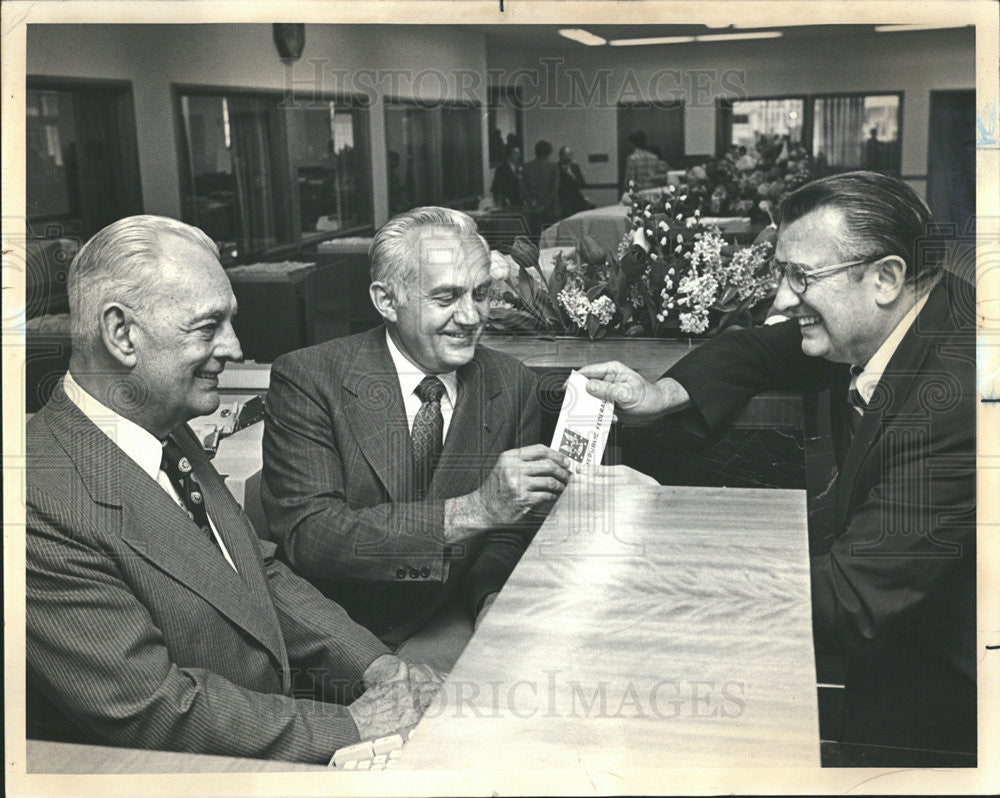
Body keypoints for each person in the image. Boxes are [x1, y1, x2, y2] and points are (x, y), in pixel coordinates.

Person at [580, 171, 975, 758]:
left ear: (887, 277)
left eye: (801, 277)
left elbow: (848, 600)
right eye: (781, 274)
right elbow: (759, 347)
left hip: (952, 702)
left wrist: (656, 543)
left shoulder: (954, 400)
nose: (783, 300)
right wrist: (661, 395)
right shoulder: (898, 316)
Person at [26, 215, 439, 764]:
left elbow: (256, 577)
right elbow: (151, 708)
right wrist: (351, 723)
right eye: (208, 326)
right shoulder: (36, 502)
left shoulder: (163, 427)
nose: (236, 346)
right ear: (121, 334)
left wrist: (378, 666)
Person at [262, 207, 573, 671]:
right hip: (346, 641)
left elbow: (509, 531)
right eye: (446, 297)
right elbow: (314, 536)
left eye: (481, 294)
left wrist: (492, 603)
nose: (471, 317)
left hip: (454, 619)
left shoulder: (511, 382)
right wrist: (473, 510)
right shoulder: (310, 378)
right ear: (387, 301)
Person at [521, 139, 560, 239]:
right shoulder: (553, 167)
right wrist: (544, 205)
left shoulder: (527, 167)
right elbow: (554, 189)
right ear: (549, 152)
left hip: (533, 208)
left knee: (534, 238)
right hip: (550, 208)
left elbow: (523, 188)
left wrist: (532, 202)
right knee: (550, 239)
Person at [557, 145, 595, 217]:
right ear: (561, 156)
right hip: (562, 199)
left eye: (571, 154)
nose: (569, 157)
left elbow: (582, 184)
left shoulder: (575, 167)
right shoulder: (556, 167)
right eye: (567, 155)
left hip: (576, 198)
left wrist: (572, 175)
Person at [490, 142, 522, 209]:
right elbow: (496, 187)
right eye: (515, 153)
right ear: (509, 155)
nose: (518, 156)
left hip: (519, 203)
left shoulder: (519, 168)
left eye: (519, 153)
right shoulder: (502, 169)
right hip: (507, 203)